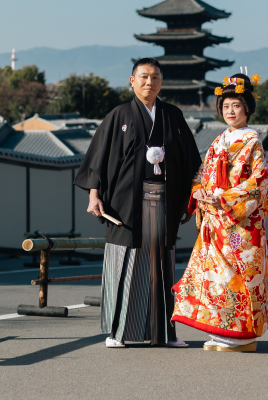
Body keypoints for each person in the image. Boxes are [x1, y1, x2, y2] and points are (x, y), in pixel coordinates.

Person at [74, 58, 202, 348]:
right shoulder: (118, 115)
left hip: (164, 202)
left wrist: (193, 195)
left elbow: (191, 161)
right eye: (143, 77)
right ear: (132, 81)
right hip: (125, 205)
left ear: (161, 82)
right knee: (125, 263)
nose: (149, 82)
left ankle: (165, 333)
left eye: (155, 77)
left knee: (162, 266)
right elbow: (97, 160)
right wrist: (94, 196)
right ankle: (118, 332)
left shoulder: (173, 115)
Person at [171, 71, 268, 352]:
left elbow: (259, 181)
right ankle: (221, 332)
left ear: (248, 108)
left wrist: (226, 197)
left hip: (239, 222)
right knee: (217, 278)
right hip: (216, 221)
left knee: (238, 278)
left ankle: (242, 337)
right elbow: (203, 174)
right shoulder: (219, 140)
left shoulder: (253, 140)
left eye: (237, 106)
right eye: (226, 107)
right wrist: (200, 191)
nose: (230, 112)